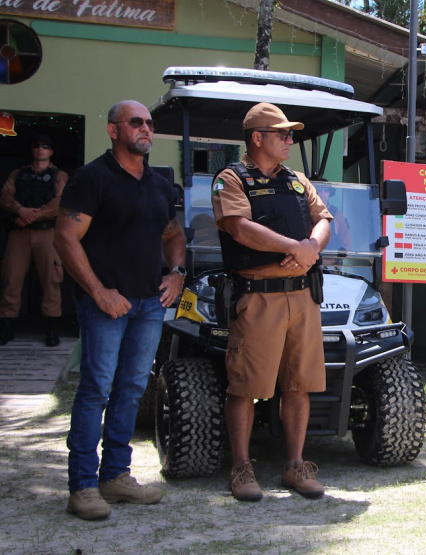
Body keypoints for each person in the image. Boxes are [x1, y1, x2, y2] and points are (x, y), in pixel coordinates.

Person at [54, 100, 187, 520]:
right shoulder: (91, 178)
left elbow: (173, 233)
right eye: (136, 122)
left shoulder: (160, 185)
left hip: (149, 303)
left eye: (149, 123)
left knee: (131, 389)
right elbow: (65, 238)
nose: (145, 129)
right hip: (106, 305)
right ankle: (83, 486)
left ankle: (115, 475)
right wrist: (98, 292)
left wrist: (178, 272)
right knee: (96, 389)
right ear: (114, 131)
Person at [211, 103, 332, 502]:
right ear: (257, 138)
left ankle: (295, 466)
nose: (289, 139)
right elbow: (239, 228)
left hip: (302, 296)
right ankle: (242, 469)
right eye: (281, 133)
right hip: (258, 299)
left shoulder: (297, 180)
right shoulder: (232, 178)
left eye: (290, 133)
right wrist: (295, 247)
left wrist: (311, 247)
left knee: (299, 385)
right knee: (245, 386)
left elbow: (323, 218)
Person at [0, 134, 67, 346]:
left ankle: (51, 329)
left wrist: (32, 215)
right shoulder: (19, 174)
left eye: (45, 146)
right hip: (19, 233)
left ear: (51, 151)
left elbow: (60, 203)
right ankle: (7, 326)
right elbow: (5, 197)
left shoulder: (59, 175)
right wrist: (20, 210)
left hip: (46, 233)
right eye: (37, 146)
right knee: (11, 278)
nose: (41, 149)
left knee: (51, 280)